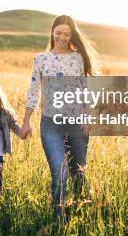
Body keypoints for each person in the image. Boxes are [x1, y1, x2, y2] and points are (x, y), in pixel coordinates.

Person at [19, 15, 97, 220]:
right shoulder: (41, 59)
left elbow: (85, 89)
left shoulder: (78, 58)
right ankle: (59, 221)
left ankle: (83, 216)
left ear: (72, 36)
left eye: (67, 34)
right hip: (50, 124)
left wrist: (88, 115)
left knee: (78, 174)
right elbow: (33, 90)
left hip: (76, 124)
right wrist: (26, 121)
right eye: (59, 33)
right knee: (59, 173)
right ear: (52, 32)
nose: (62, 37)